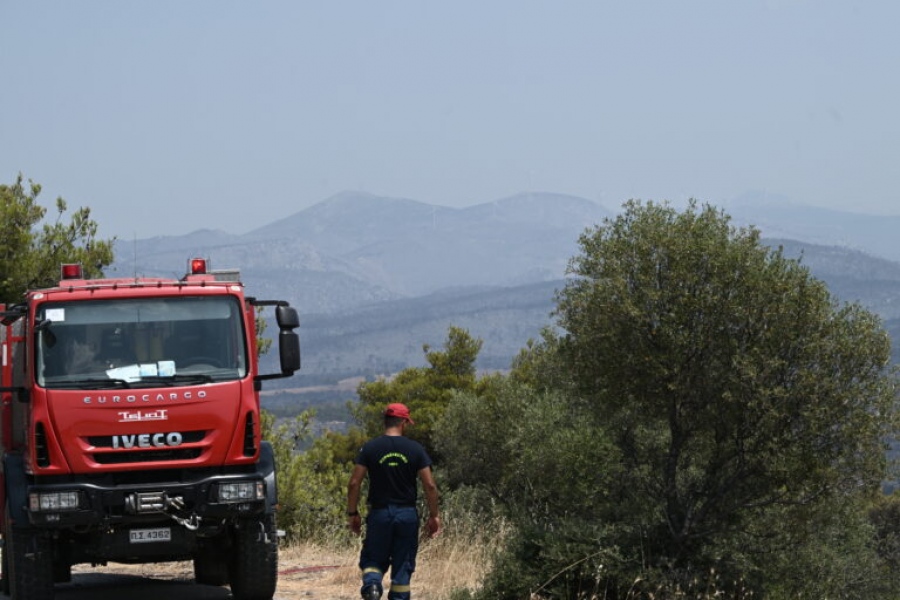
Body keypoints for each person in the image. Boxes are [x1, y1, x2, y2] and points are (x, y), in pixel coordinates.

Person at [347, 403, 442, 600]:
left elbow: (354, 483)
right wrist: (434, 516)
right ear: (404, 422)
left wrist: (352, 513)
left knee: (373, 558)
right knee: (403, 565)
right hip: (406, 515)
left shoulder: (370, 448)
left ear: (386, 421)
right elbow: (430, 485)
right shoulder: (415, 449)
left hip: (379, 513)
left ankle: (373, 587)